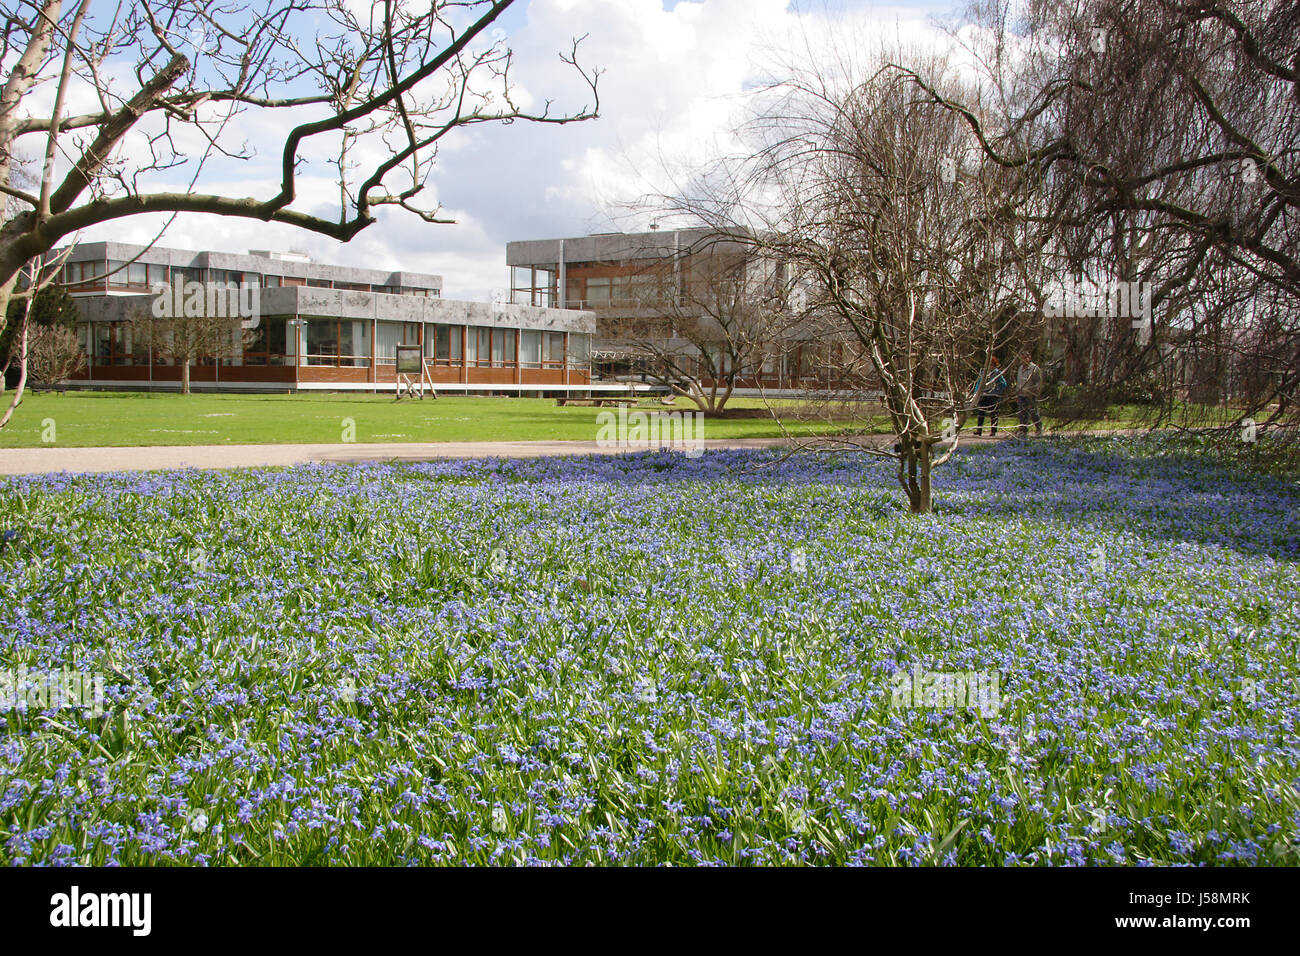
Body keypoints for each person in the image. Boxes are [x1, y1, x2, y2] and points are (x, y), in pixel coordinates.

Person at [971, 356, 1007, 436]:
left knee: (994, 413)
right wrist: (976, 393)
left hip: (994, 395)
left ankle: (993, 431)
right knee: (981, 412)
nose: (990, 366)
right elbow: (978, 383)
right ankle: (979, 430)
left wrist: (998, 391)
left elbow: (1004, 384)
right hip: (984, 394)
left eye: (991, 365)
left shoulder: (997, 373)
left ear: (994, 365)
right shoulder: (983, 372)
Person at [1015, 350, 1044, 437]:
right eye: (1022, 358)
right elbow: (1018, 381)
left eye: (1025, 358)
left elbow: (1038, 383)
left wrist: (1033, 391)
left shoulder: (1034, 368)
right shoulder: (1020, 368)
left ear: (1029, 358)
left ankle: (1039, 428)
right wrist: (1017, 393)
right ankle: (1023, 430)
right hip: (1021, 394)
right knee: (1022, 413)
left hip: (1031, 394)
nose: (1024, 360)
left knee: (1033, 412)